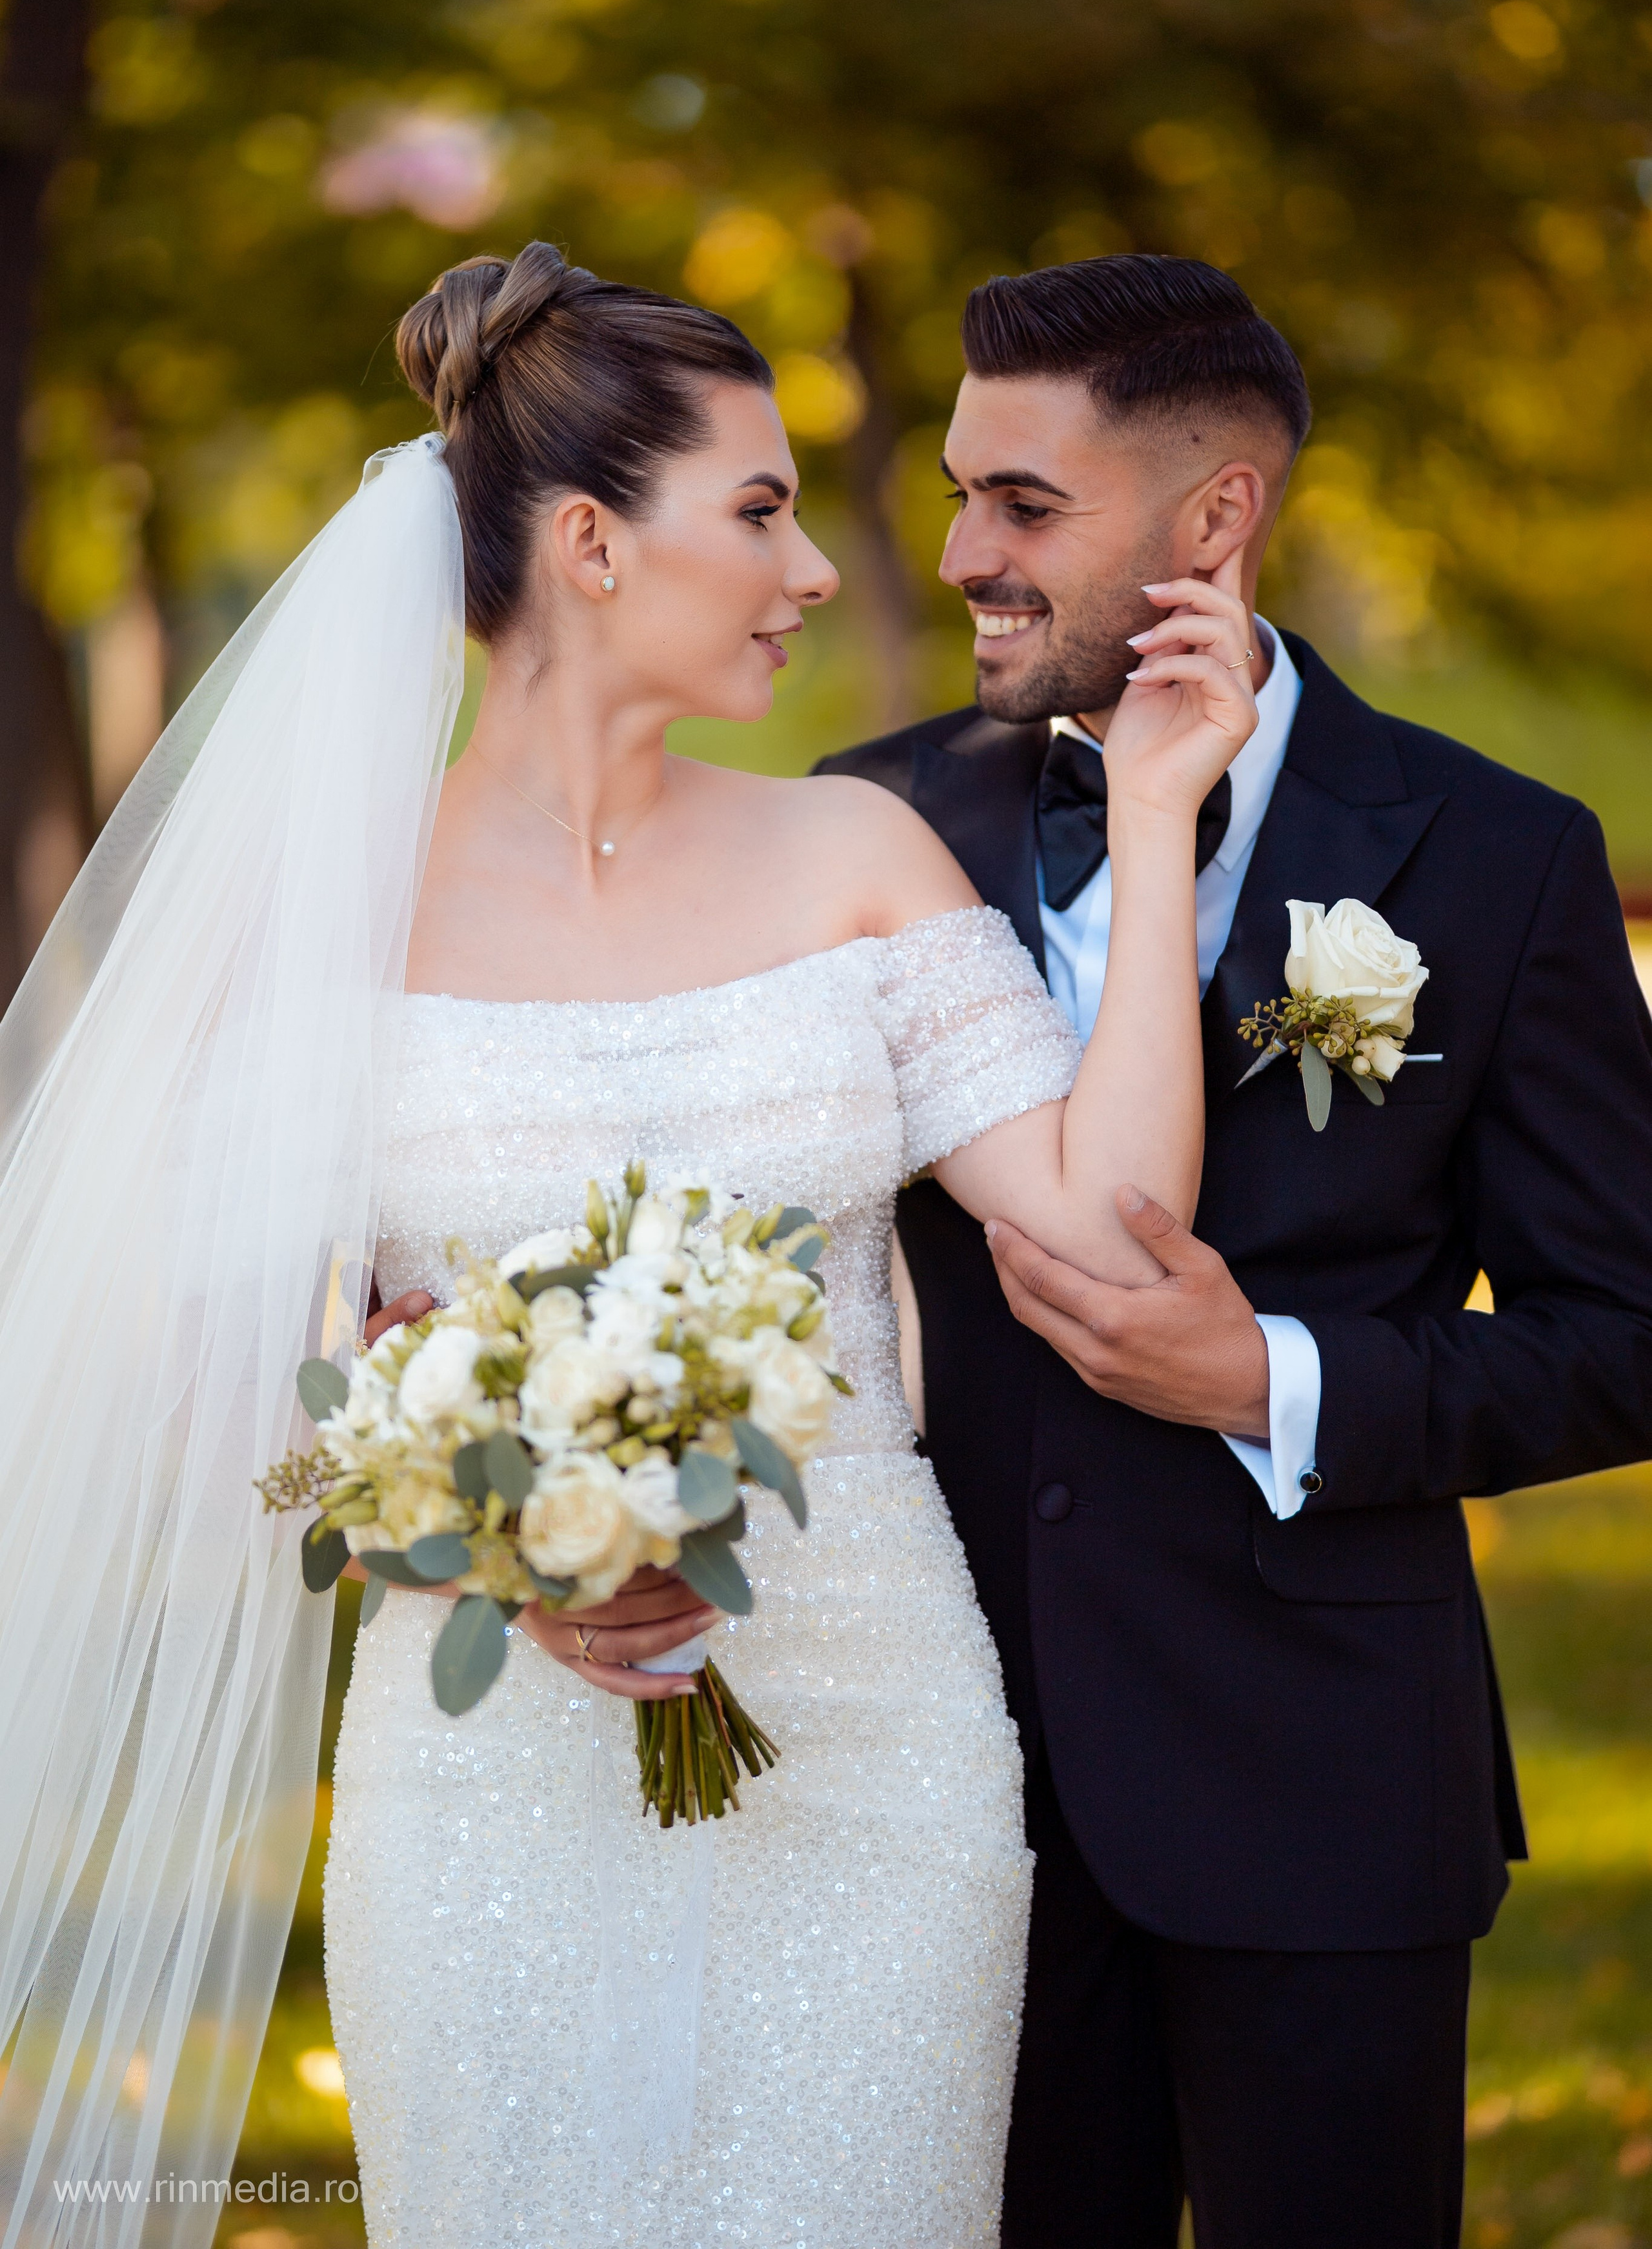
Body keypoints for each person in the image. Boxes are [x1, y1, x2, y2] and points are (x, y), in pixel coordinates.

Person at [296, 245, 1255, 2246]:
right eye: (758, 510)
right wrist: (487, 1547)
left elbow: (1113, 1220)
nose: (816, 569)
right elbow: (240, 1404)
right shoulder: (330, 921)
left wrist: (1161, 816)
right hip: (487, 1768)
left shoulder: (854, 857)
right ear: (587, 543)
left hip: (872, 1742)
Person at [818, 251, 1652, 2249]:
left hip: (1326, 1788)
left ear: (1216, 519)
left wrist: (1268, 1379)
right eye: (955, 490)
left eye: (1025, 506)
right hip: (947, 1785)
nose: (961, 555)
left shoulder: (1496, 850)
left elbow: (1624, 1329)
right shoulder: (869, 828)